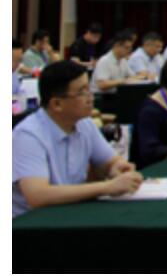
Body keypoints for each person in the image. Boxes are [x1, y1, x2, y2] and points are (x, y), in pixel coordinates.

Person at [13, 61, 142, 216]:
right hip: (29, 223)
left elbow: (110, 161)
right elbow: (38, 195)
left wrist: (117, 168)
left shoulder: (85, 123)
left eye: (89, 89)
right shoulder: (28, 135)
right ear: (57, 104)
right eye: (82, 92)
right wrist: (106, 187)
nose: (91, 98)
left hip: (69, 212)